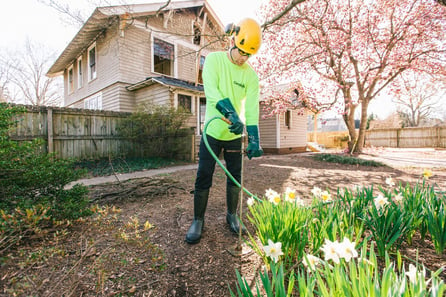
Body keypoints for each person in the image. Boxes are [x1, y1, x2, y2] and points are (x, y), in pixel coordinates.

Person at [185, 18, 263, 244]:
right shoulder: (213, 60)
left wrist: (254, 139)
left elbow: (251, 107)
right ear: (232, 40)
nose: (243, 58)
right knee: (203, 176)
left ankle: (232, 215)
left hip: (234, 136)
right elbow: (212, 91)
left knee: (235, 178)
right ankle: (198, 219)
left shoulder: (250, 75)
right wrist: (230, 114)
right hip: (212, 133)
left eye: (248, 55)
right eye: (241, 51)